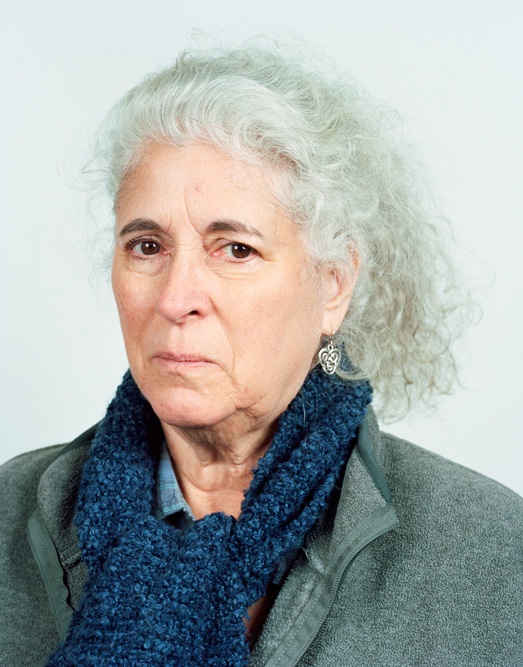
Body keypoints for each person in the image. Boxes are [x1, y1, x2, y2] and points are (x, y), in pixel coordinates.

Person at [0, 42, 521, 667]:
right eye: (146, 245)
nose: (175, 297)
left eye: (236, 249)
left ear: (333, 282)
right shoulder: (10, 507)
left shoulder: (493, 551)